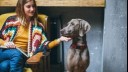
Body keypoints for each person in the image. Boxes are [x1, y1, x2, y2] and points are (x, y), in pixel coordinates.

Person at [0, 0, 71, 72]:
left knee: (4, 66)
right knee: (16, 54)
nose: (32, 9)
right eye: (28, 6)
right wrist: (5, 43)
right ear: (21, 7)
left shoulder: (38, 27)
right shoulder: (10, 21)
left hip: (22, 56)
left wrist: (59, 40)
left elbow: (44, 45)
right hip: (4, 51)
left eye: (33, 6)